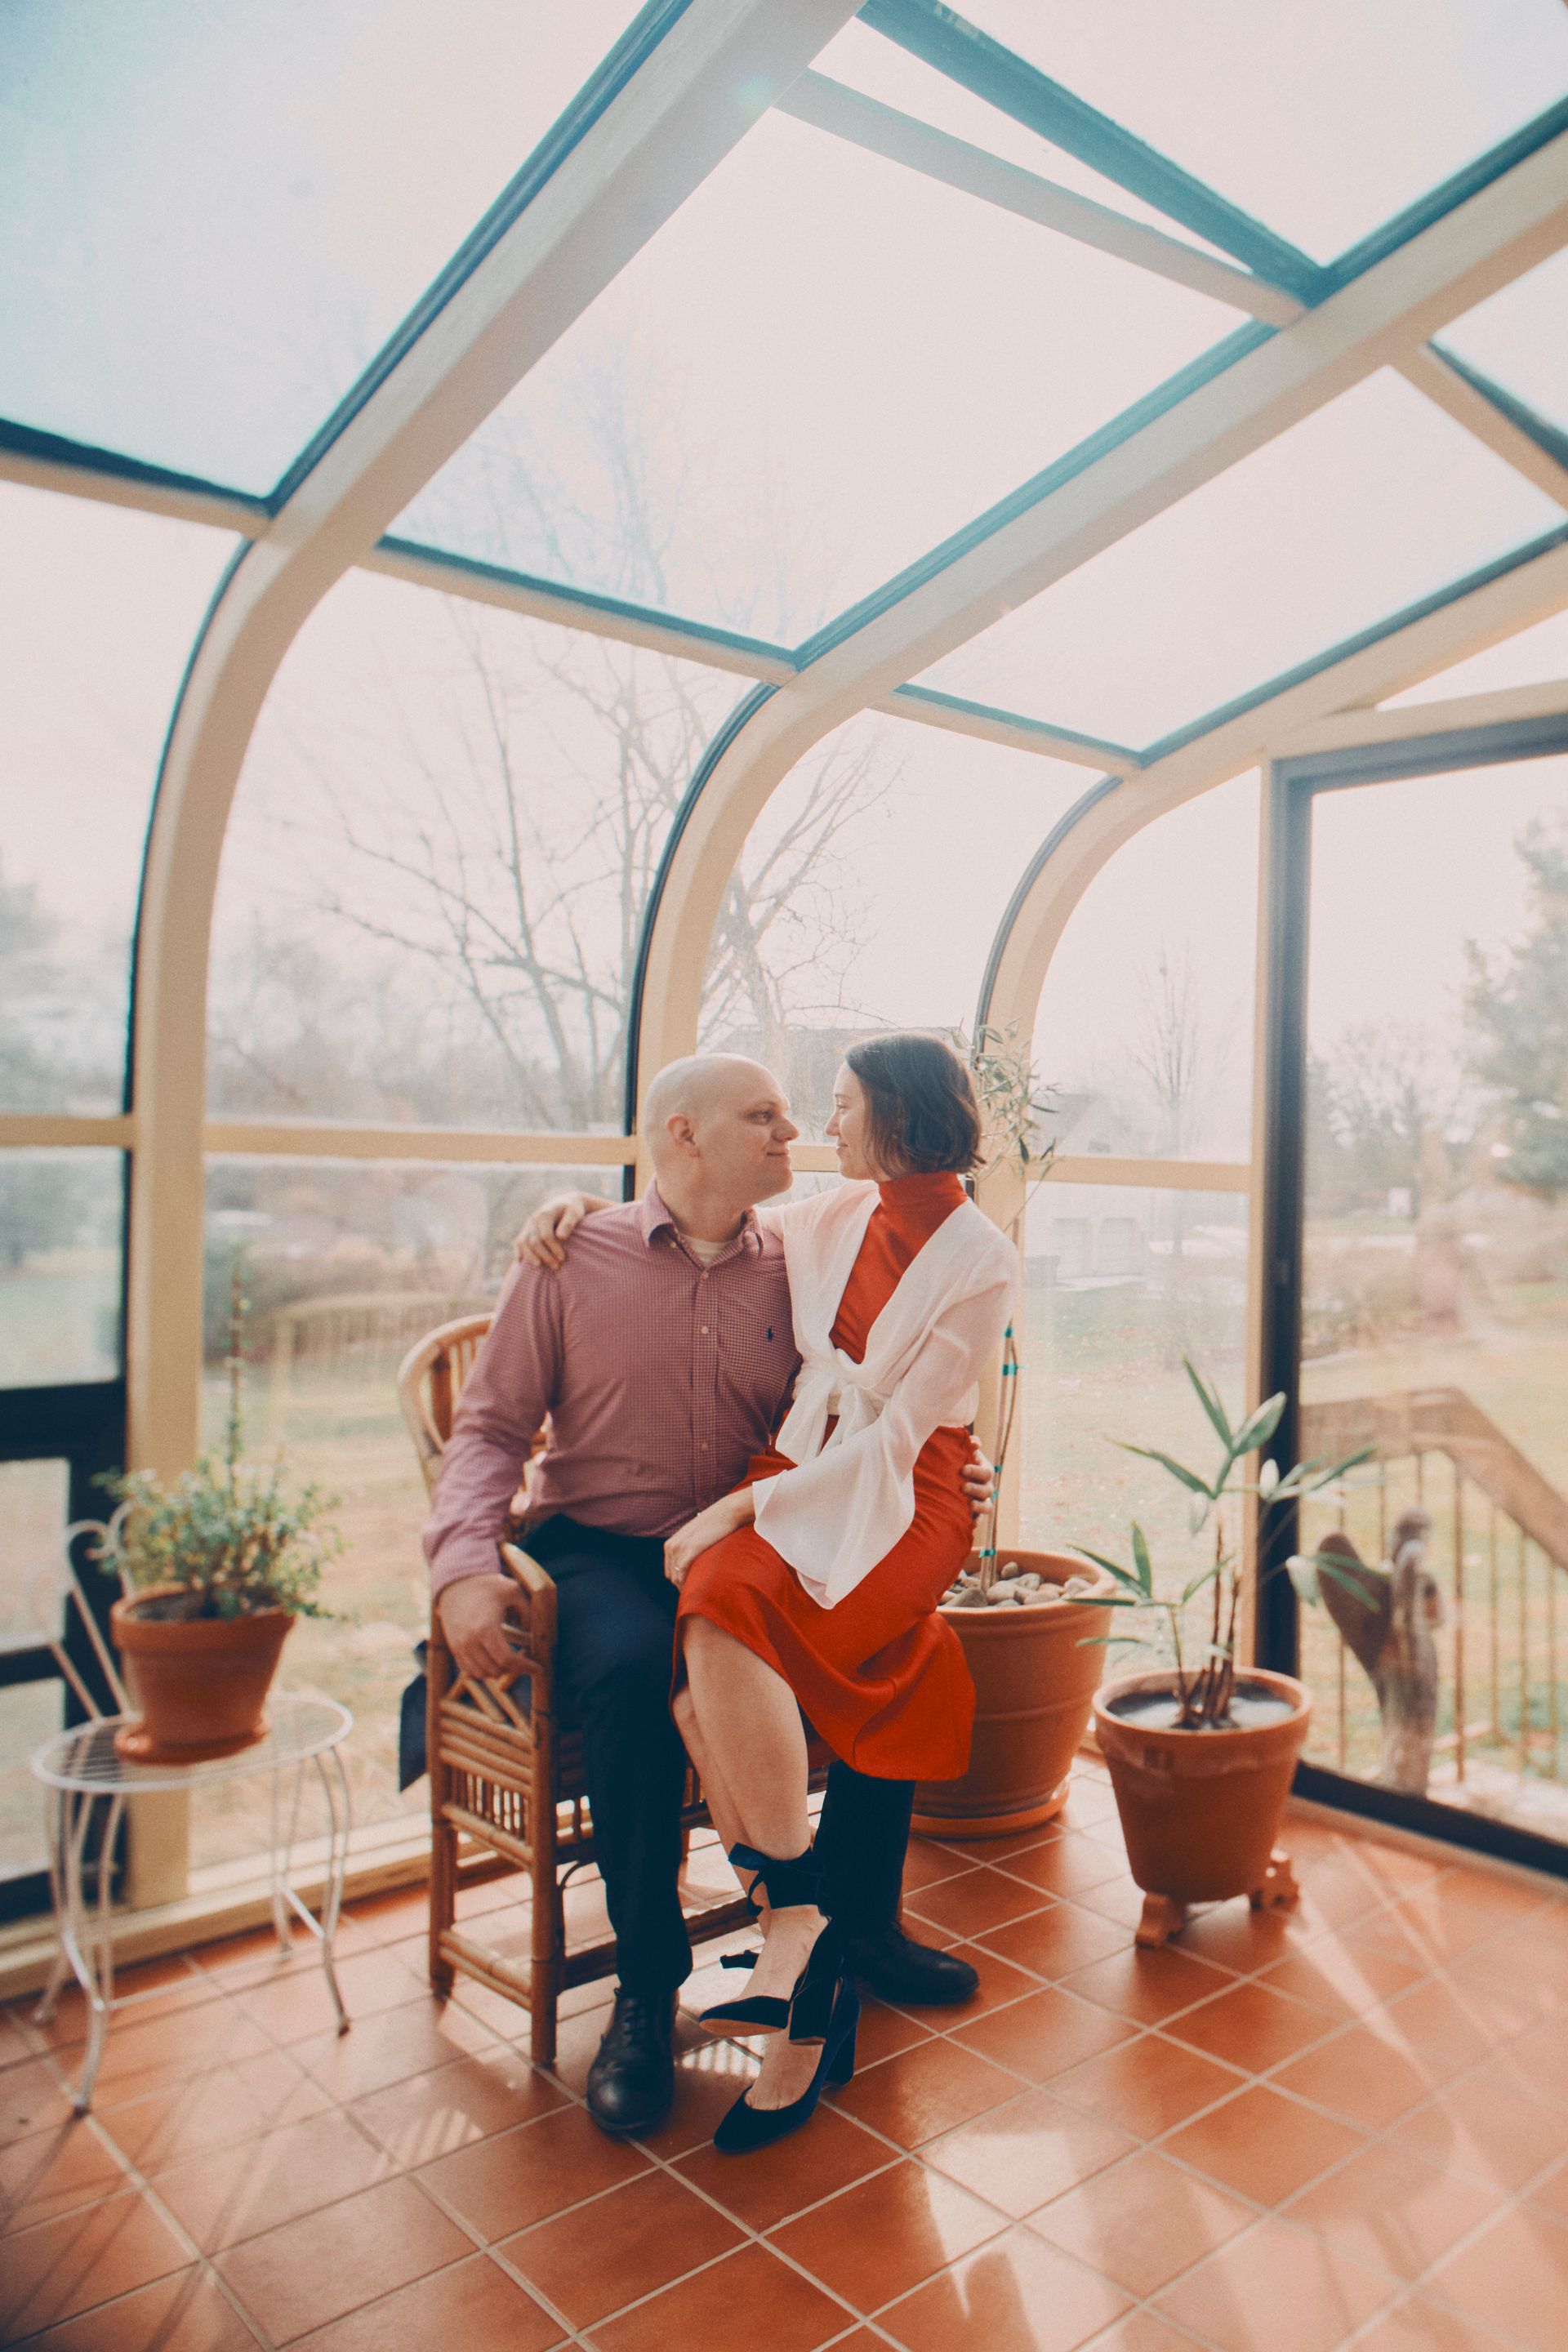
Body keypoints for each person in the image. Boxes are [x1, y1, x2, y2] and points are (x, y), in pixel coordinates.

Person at [425, 1053, 991, 2139]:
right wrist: (460, 1569)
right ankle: (645, 1991)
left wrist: (959, 1464)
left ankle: (855, 1928)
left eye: (795, 1115)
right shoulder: (567, 1260)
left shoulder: (805, 1254)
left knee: (895, 1635)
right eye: (764, 1118)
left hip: (761, 1527)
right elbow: (492, 1430)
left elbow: (889, 1377)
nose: (795, 1136)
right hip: (606, 1547)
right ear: (682, 1135)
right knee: (640, 1672)